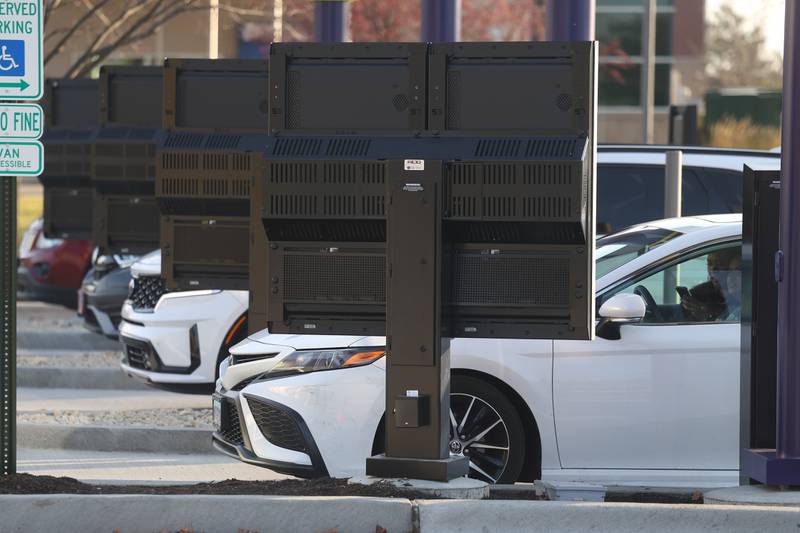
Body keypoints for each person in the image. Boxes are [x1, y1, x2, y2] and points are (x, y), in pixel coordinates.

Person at [679, 248, 741, 322]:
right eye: (709, 264)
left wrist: (707, 314)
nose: (713, 269)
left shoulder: (740, 297)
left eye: (719, 264)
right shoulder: (699, 294)